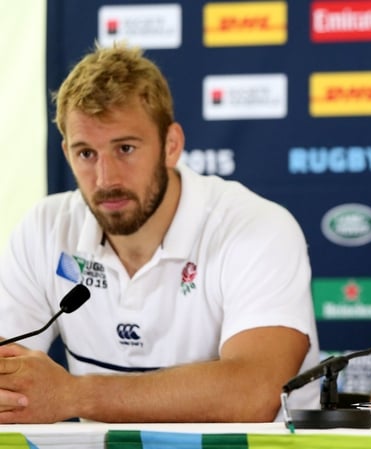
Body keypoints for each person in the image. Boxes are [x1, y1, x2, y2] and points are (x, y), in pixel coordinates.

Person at [0, 43, 320, 423]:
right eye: (86, 153)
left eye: (125, 148)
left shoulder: (255, 226)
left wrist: (75, 396)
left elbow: (255, 393)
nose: (106, 179)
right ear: (67, 152)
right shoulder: (45, 228)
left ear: (171, 145)